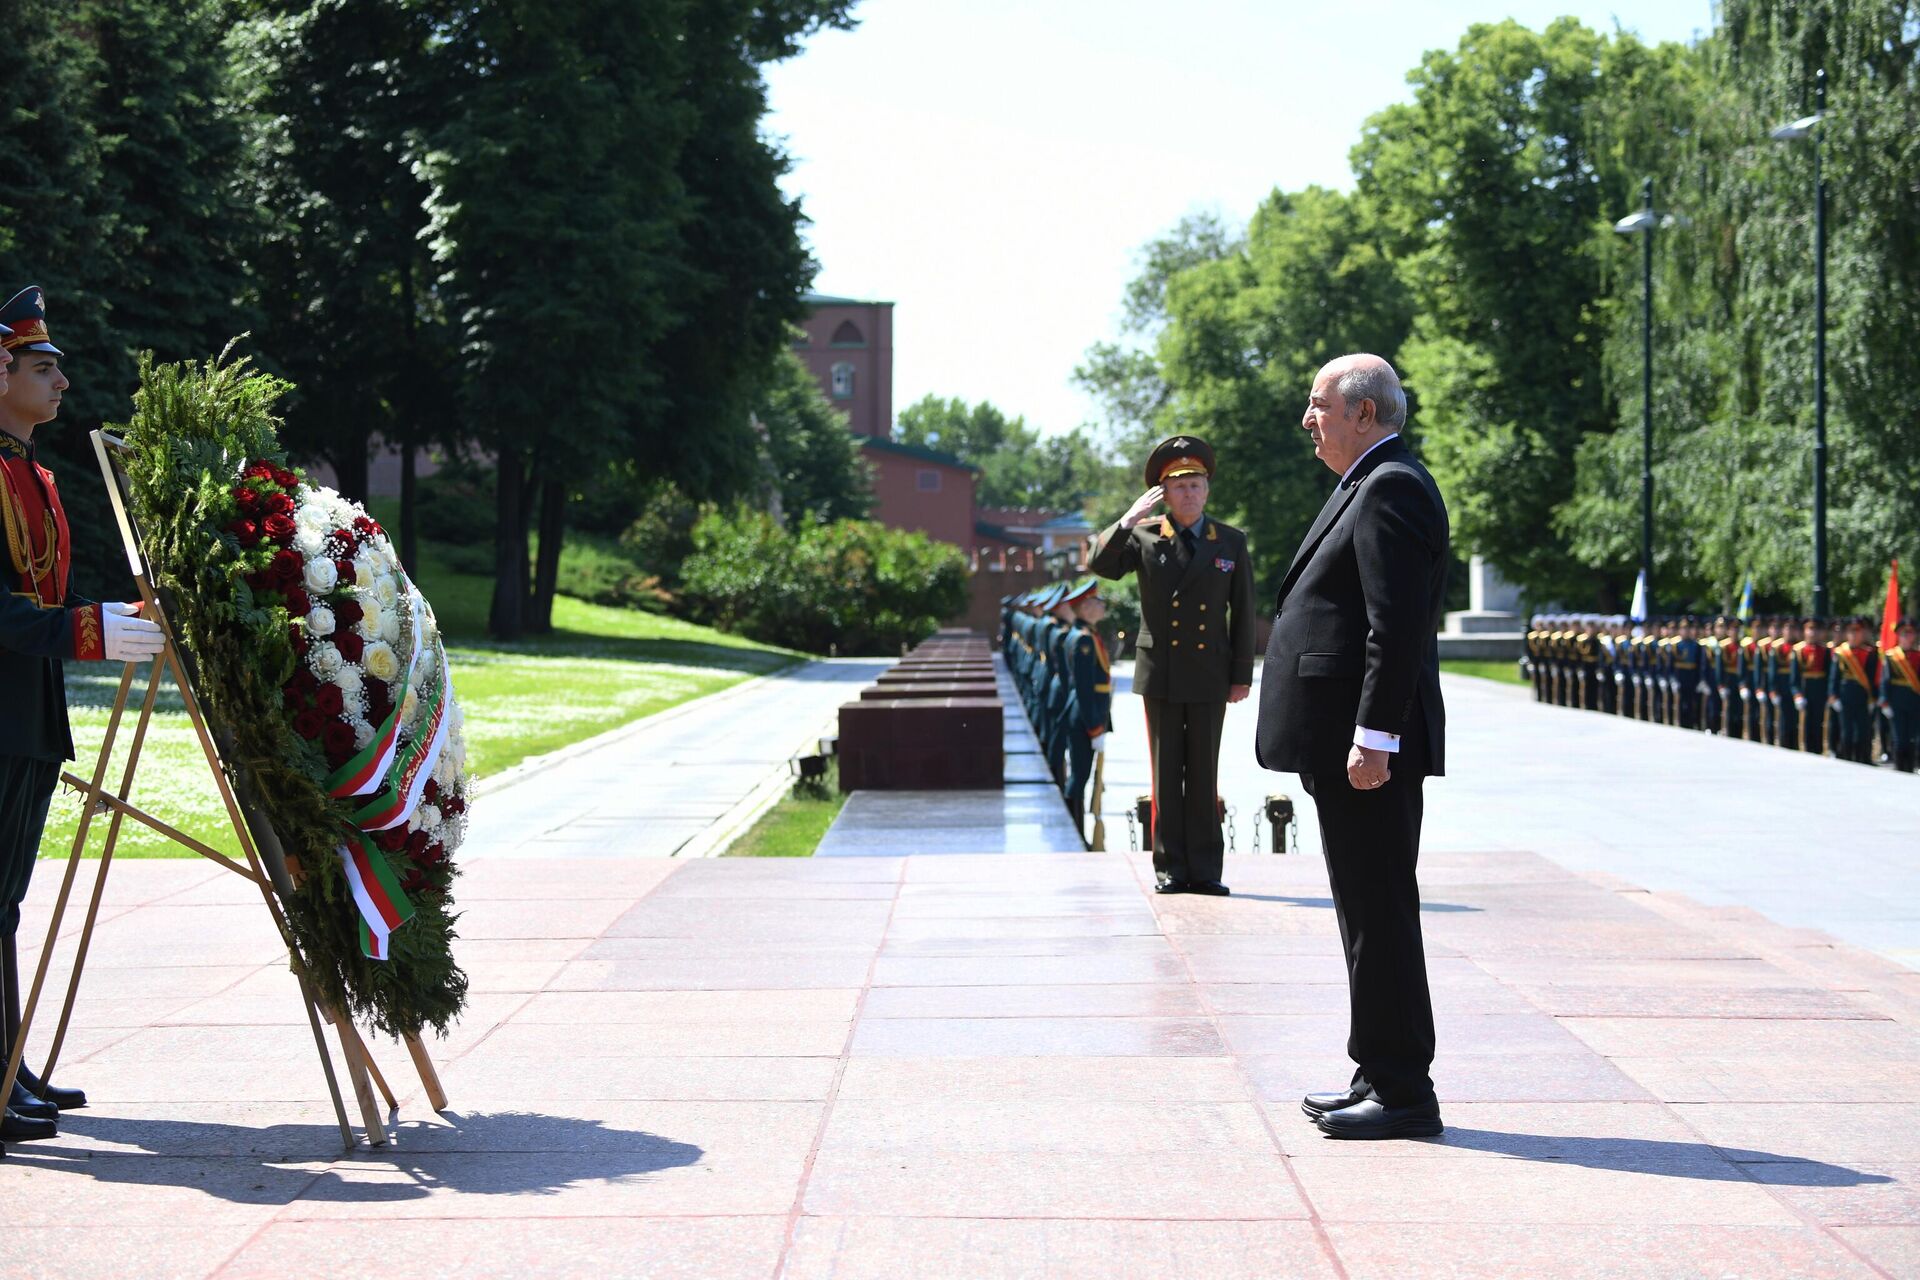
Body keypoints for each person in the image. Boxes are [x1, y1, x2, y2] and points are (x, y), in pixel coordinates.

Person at [1256, 354, 1448, 1141]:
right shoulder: (1363, 483)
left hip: (1365, 749)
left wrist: (1374, 738)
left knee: (1381, 911)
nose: (1308, 418)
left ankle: (1404, 1091)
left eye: (1319, 404)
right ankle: (1377, 1069)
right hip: (1342, 745)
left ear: (1364, 414)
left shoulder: (1392, 486)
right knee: (1365, 910)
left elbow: (1393, 627)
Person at [0, 286, 166, 1140]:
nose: (61, 381)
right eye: (42, 367)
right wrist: (94, 630)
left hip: (25, 714)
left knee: (6, 901)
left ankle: (9, 1063)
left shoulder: (31, 471)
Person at [1089, 433, 1254, 895]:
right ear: (1163, 493)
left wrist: (1241, 674)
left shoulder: (1230, 542)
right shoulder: (1143, 536)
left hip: (1209, 673)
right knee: (1166, 773)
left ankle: (1205, 870)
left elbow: (1242, 611)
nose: (1189, 493)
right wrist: (1127, 519)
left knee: (1203, 773)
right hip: (1161, 670)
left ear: (1207, 490)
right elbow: (1100, 565)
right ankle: (1170, 868)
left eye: (1197, 485)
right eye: (1179, 486)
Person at [1059, 579, 1112, 833]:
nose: (1102, 606)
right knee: (1079, 776)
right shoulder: (1083, 640)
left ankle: (1075, 827)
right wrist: (1094, 727)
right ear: (1085, 608)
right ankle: (1073, 830)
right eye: (1097, 602)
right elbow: (1084, 688)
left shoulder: (1086, 635)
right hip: (1084, 717)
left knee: (1081, 774)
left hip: (1084, 715)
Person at [1829, 616, 1878, 765]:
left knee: (1864, 730)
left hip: (1863, 696)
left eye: (1858, 631)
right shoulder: (1841, 653)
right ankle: (1846, 757)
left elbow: (1872, 677)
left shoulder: (1869, 653)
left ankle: (1864, 758)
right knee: (1847, 730)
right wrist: (1833, 696)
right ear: (1846, 634)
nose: (1855, 635)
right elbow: (1834, 677)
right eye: (1851, 631)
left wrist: (1873, 699)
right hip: (1845, 696)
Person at [1881, 618, 1919, 772]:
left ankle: (1910, 766)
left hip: (1915, 700)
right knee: (1899, 737)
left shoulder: (1918, 655)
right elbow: (1885, 680)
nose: (1907, 637)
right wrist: (1884, 701)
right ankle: (1899, 767)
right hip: (1897, 700)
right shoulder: (1891, 656)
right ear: (1898, 636)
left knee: (1912, 736)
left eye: (1910, 633)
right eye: (1904, 634)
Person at [1791, 617, 1833, 756]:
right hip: (1806, 688)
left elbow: (1829, 674)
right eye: (1810, 629)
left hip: (1820, 689)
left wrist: (1829, 693)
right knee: (1806, 722)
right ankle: (1806, 748)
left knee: (1819, 721)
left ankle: (1819, 749)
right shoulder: (1799, 650)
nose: (1813, 633)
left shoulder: (1825, 650)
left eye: (1816, 629)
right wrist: (1797, 694)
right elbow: (1795, 677)